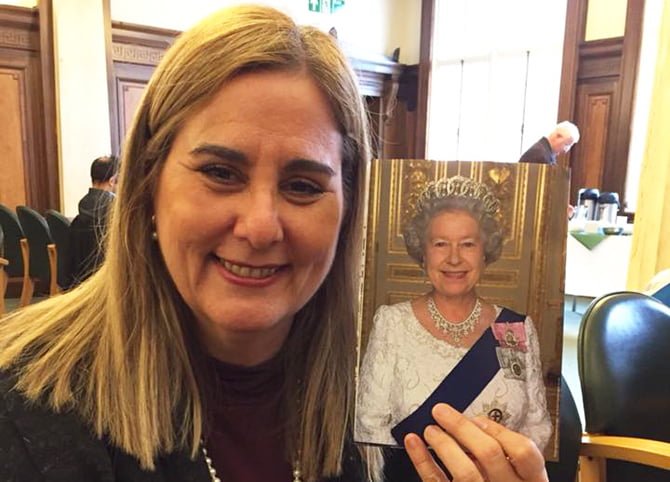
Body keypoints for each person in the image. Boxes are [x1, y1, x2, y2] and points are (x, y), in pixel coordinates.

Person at [0, 6, 548, 482]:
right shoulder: (24, 411)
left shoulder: (397, 389)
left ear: (349, 212)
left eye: (303, 186)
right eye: (220, 172)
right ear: (148, 184)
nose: (260, 228)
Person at [355, 175, 552, 453]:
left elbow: (537, 425)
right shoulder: (392, 323)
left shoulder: (514, 328)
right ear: (423, 253)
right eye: (440, 244)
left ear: (485, 253)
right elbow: (370, 424)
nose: (454, 258)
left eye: (468, 244)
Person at [67, 155, 119, 287]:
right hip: (110, 281)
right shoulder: (116, 211)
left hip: (82, 282)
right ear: (112, 181)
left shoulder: (81, 213)